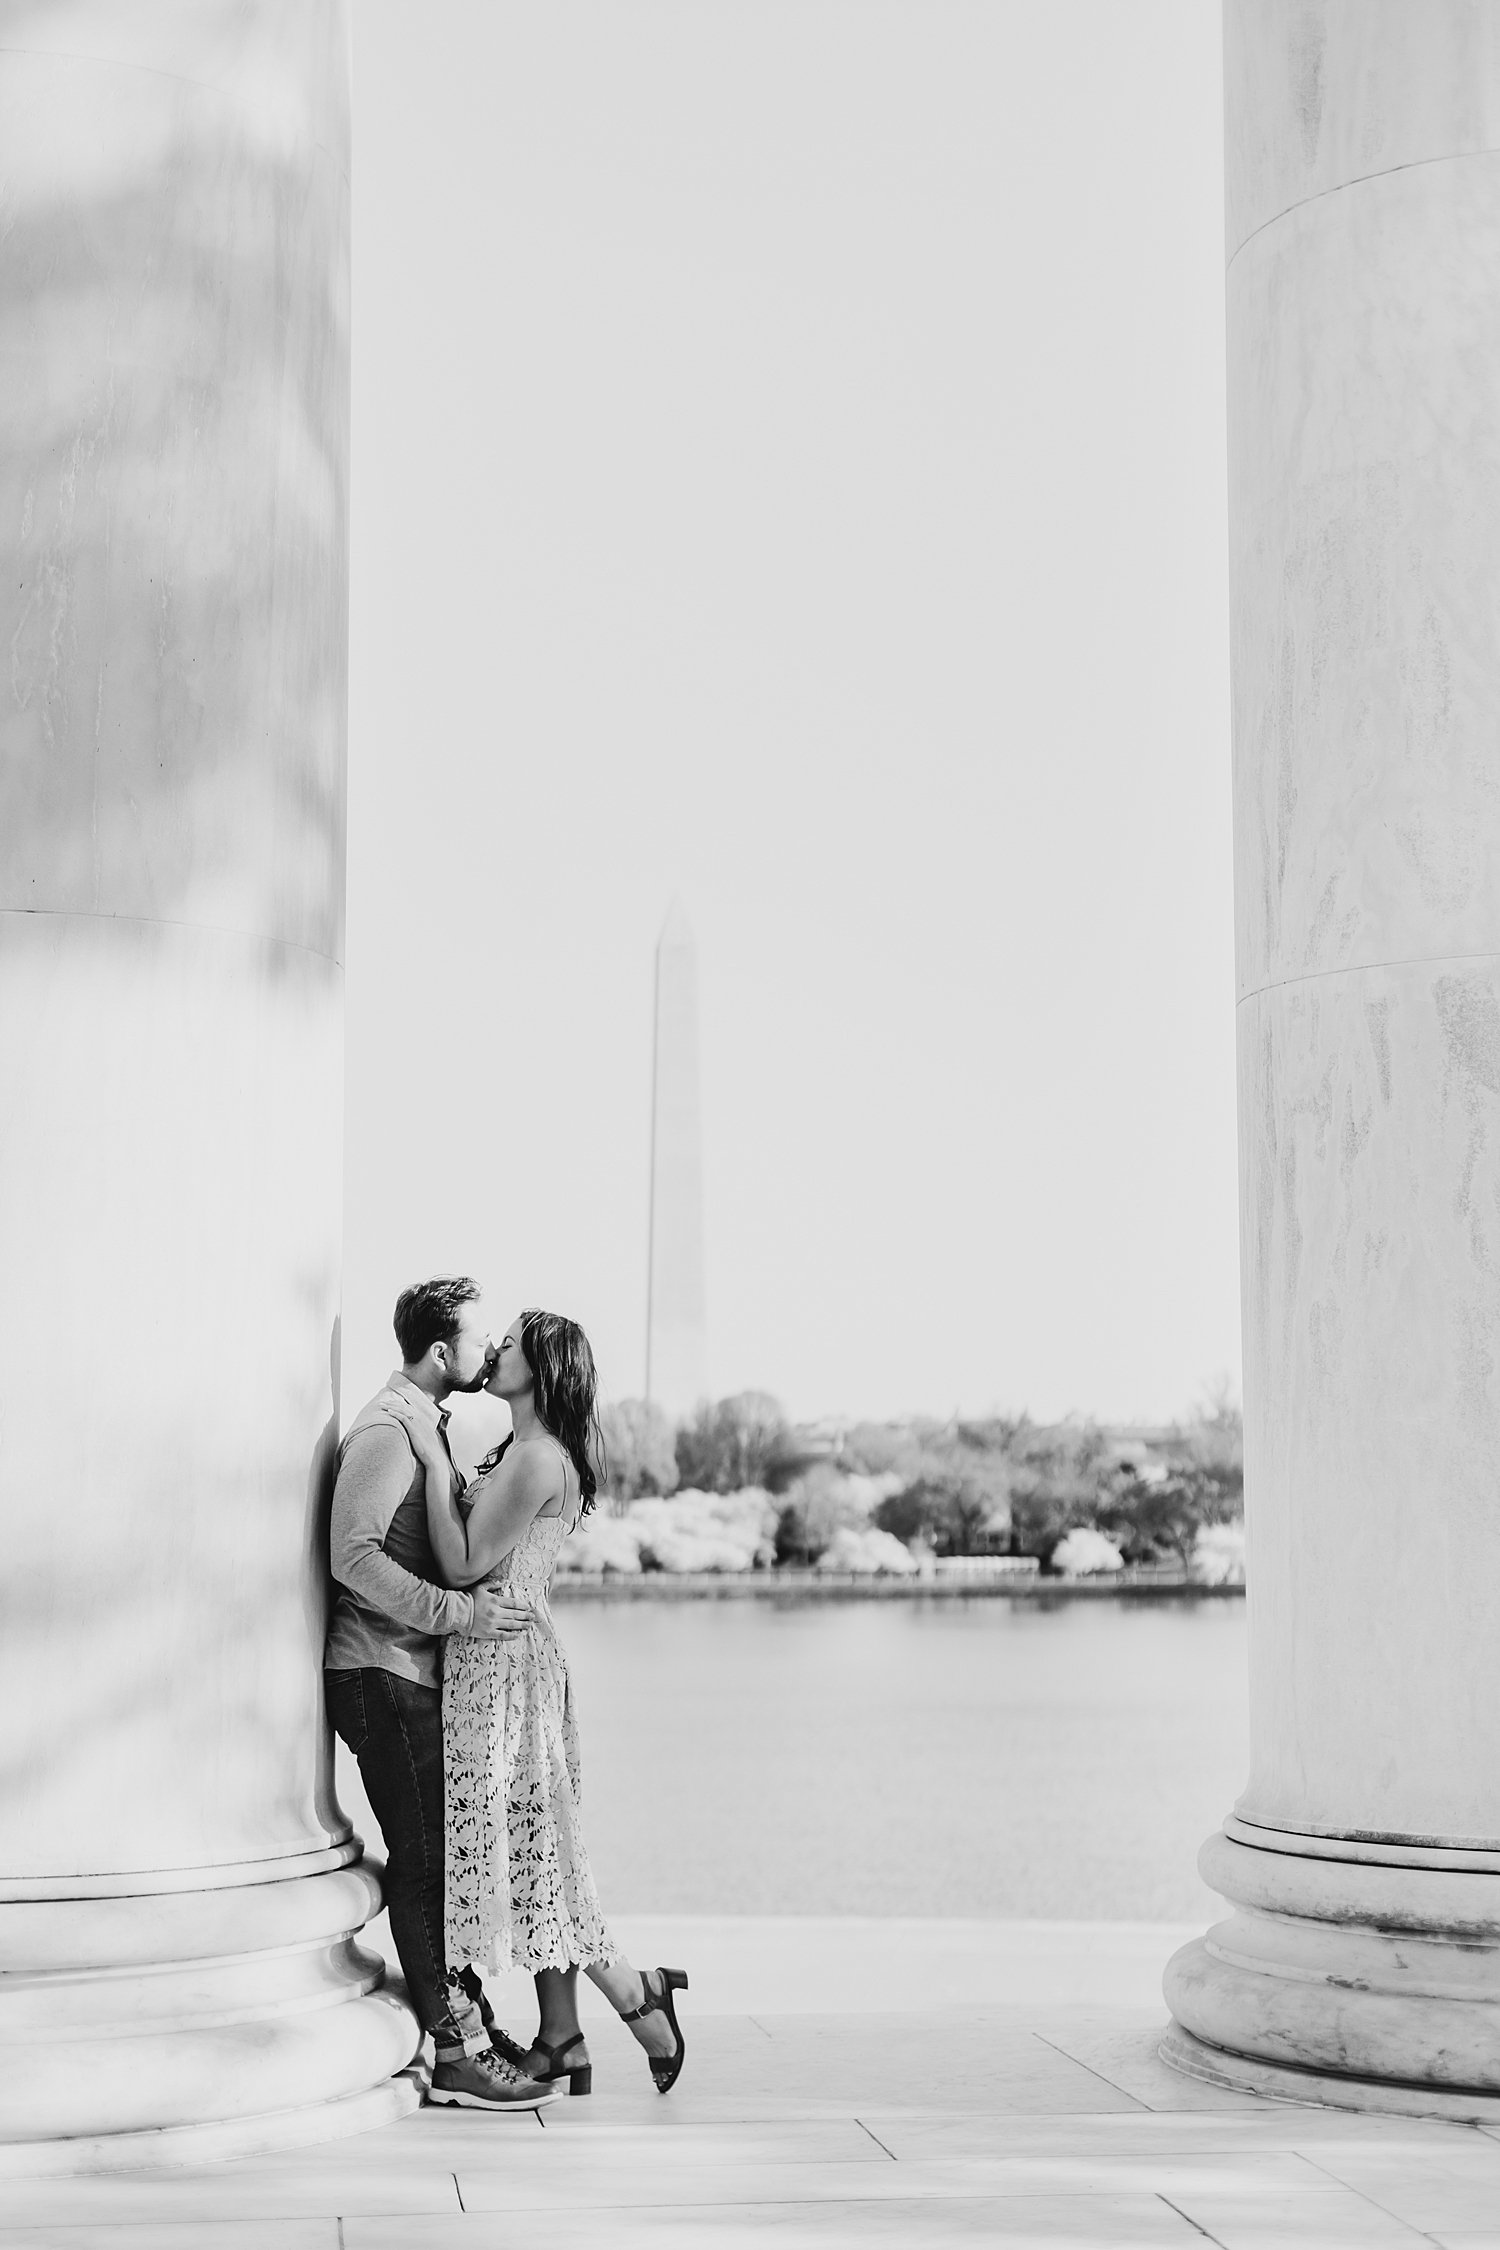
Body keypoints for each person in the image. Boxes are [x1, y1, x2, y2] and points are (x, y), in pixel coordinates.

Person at [384, 1307, 689, 2096]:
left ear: (542, 1369)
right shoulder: (521, 1449)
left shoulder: (534, 1459)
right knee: (534, 1838)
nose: (496, 1351)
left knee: (534, 1845)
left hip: (500, 1666)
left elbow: (460, 1565)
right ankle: (563, 2038)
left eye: (512, 1344)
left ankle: (634, 1992)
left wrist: (427, 1449)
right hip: (509, 1656)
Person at [323, 1275, 558, 2113]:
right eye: (477, 1338)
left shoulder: (424, 1426)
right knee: (425, 1862)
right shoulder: (390, 1432)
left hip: (408, 1672)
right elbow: (351, 1557)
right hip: (379, 1672)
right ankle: (455, 2051)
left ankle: (469, 2024)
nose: (489, 1350)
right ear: (438, 1353)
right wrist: (460, 1613)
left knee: (439, 1860)